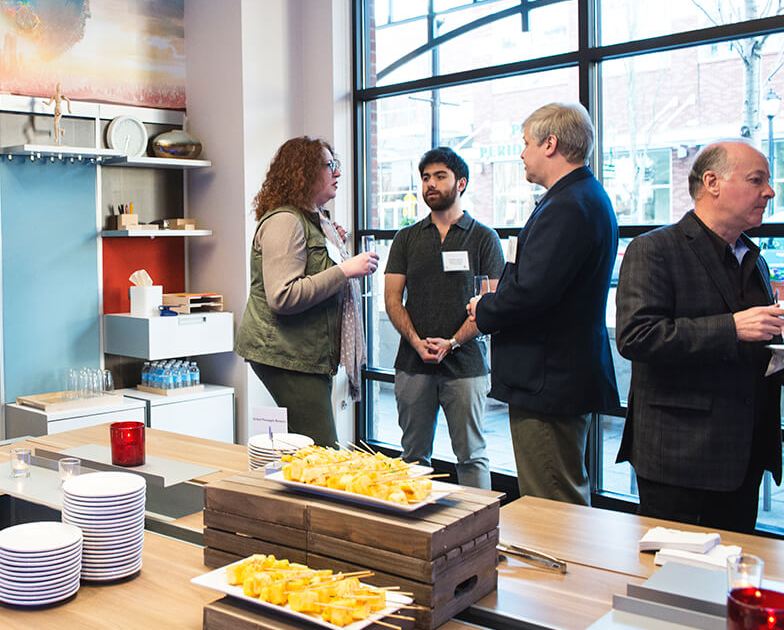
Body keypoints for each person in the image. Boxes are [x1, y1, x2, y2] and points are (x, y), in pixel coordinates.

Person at [615, 140, 784, 533]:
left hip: (744, 457)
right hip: (681, 459)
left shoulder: (752, 257)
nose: (769, 192)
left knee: (729, 577)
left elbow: (755, 341)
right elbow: (636, 336)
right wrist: (733, 327)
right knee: (671, 583)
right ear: (712, 182)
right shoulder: (654, 250)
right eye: (757, 180)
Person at [467, 103, 619, 505]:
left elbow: (533, 293)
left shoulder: (568, 206)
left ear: (550, 144)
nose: (521, 154)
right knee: (560, 491)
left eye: (526, 143)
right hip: (559, 374)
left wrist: (484, 309)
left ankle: (567, 571)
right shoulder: (580, 197)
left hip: (549, 380)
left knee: (552, 503)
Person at [234, 137, 380, 446]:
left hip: (304, 353)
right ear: (304, 172)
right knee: (324, 450)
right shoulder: (286, 221)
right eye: (330, 166)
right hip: (286, 354)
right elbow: (283, 295)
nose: (338, 173)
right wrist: (345, 270)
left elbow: (313, 274)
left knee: (307, 448)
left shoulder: (316, 221)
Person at [384, 147, 503, 489]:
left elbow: (491, 304)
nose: (430, 184)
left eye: (440, 176)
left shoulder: (484, 238)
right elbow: (393, 299)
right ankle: (413, 532)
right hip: (413, 362)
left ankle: (477, 534)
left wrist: (452, 342)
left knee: (472, 456)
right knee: (412, 457)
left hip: (466, 365)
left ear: (461, 183)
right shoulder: (406, 238)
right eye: (425, 178)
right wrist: (416, 341)